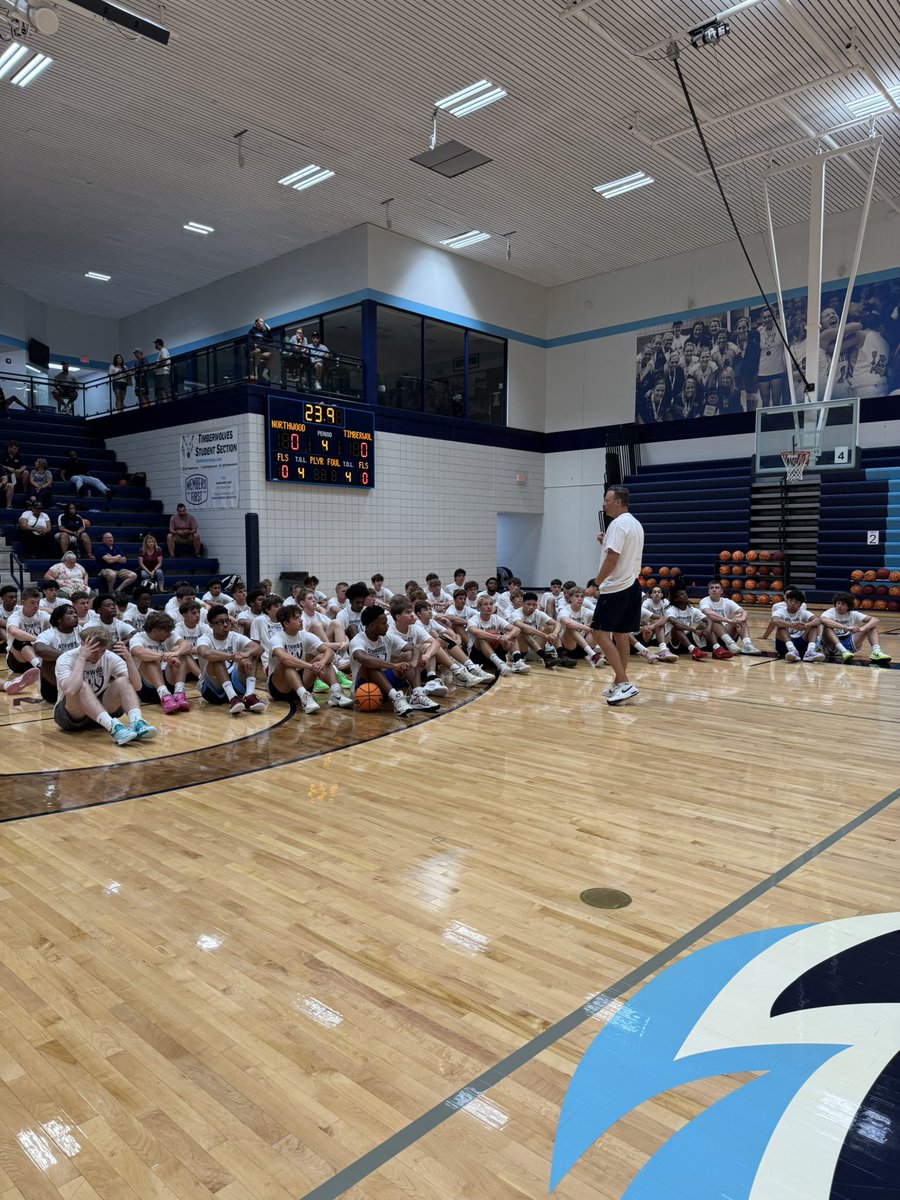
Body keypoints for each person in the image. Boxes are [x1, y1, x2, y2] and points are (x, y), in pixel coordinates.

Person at [54, 627, 156, 745]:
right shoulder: (66, 658)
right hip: (71, 716)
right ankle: (113, 727)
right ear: (82, 644)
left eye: (102, 650)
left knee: (124, 681)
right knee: (82, 686)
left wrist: (128, 658)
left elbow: (137, 686)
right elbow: (70, 691)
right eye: (94, 651)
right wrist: (82, 658)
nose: (98, 655)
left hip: (102, 712)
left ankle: (137, 722)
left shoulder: (109, 656)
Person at [591, 485, 645, 705]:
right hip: (633, 585)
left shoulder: (617, 523)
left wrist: (596, 584)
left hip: (616, 588)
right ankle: (618, 683)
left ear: (618, 502)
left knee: (598, 633)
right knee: (622, 634)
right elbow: (622, 553)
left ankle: (624, 683)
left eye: (606, 500)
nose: (603, 503)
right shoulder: (635, 524)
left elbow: (612, 559)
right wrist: (605, 542)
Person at [267, 605, 352, 712]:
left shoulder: (305, 635)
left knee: (323, 657)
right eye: (296, 618)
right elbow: (285, 659)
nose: (301, 620)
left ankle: (336, 693)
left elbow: (329, 652)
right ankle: (304, 697)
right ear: (286, 623)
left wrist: (321, 662)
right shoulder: (277, 638)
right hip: (280, 688)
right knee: (286, 664)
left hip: (302, 681)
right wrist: (311, 666)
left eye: (300, 617)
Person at [196, 605, 266, 715]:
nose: (225, 624)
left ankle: (249, 695)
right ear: (211, 625)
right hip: (213, 690)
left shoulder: (235, 636)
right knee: (217, 658)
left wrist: (244, 654)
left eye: (227, 621)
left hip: (234, 682)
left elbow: (259, 648)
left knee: (252, 654)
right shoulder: (205, 638)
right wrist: (231, 657)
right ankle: (232, 698)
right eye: (220, 622)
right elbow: (205, 652)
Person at [348, 605, 416, 715]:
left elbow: (414, 649)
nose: (387, 626)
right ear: (372, 626)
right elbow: (362, 658)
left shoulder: (387, 637)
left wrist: (414, 663)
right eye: (383, 623)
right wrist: (394, 665)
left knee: (409, 655)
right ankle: (396, 697)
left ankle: (418, 693)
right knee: (370, 664)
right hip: (363, 689)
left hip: (384, 683)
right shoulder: (358, 640)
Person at [129, 612, 192, 713]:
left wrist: (176, 653)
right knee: (150, 659)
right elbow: (137, 651)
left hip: (169, 681)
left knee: (181, 652)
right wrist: (163, 656)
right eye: (166, 631)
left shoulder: (168, 634)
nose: (169, 633)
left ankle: (179, 692)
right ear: (154, 631)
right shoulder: (138, 637)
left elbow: (187, 645)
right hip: (148, 688)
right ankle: (164, 695)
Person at [819, 592, 891, 664]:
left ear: (848, 606)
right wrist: (847, 628)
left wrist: (863, 628)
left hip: (848, 645)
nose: (839, 606)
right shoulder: (830, 612)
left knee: (872, 626)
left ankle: (876, 651)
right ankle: (843, 650)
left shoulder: (853, 614)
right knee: (827, 626)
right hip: (832, 646)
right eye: (838, 603)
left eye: (843, 604)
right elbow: (823, 620)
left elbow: (875, 620)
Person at [34, 602, 82, 704]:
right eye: (70, 613)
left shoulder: (79, 630)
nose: (75, 615)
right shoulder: (49, 634)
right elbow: (39, 649)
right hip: (52, 688)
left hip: (76, 678)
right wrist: (66, 656)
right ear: (59, 619)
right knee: (48, 661)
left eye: (75, 613)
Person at [467, 594, 523, 677]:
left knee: (511, 634)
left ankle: (518, 661)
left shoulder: (496, 618)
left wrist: (507, 636)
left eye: (491, 604)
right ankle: (499, 664)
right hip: (478, 654)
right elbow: (477, 632)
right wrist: (497, 637)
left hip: (496, 651)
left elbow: (517, 629)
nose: (489, 607)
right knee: (481, 637)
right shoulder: (474, 619)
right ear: (479, 607)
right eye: (485, 604)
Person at [699, 581, 760, 655]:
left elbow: (744, 612)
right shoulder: (704, 601)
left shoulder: (727, 601)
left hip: (726, 634)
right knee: (711, 619)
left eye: (717, 588)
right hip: (711, 637)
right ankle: (729, 643)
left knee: (740, 617)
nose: (714, 589)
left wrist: (741, 619)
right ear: (708, 591)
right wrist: (729, 620)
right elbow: (708, 613)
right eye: (711, 588)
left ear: (721, 591)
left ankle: (747, 644)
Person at [770, 588, 824, 662]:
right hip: (784, 645)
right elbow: (774, 620)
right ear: (786, 601)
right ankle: (792, 650)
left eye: (796, 602)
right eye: (791, 600)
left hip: (800, 643)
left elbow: (818, 620)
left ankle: (810, 652)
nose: (792, 603)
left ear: (800, 605)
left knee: (813, 626)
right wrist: (792, 625)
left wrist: (806, 625)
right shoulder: (780, 611)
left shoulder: (803, 612)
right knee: (781, 626)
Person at [6, 586, 49, 677]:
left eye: (37, 602)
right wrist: (38, 639)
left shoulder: (42, 615)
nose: (36, 606)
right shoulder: (15, 616)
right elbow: (14, 631)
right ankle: (40, 667)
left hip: (38, 654)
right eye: (32, 603)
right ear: (23, 603)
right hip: (17, 661)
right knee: (20, 640)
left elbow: (59, 623)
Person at [153, 338, 171, 402]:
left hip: (163, 374)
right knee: (160, 391)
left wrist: (155, 366)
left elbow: (164, 362)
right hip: (160, 374)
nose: (154, 345)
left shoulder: (163, 350)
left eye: (155, 343)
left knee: (165, 390)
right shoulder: (161, 351)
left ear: (158, 343)